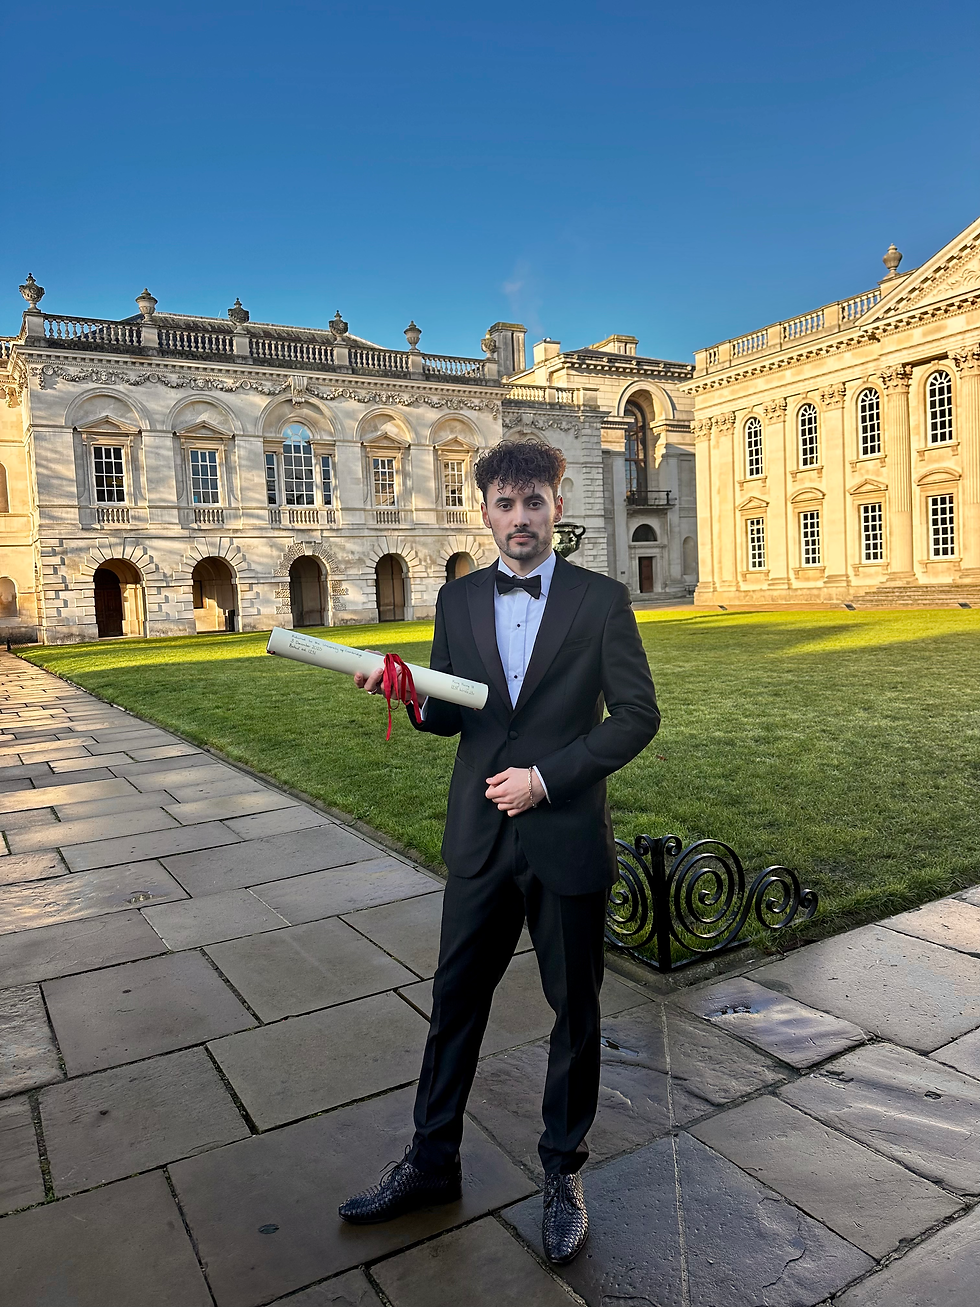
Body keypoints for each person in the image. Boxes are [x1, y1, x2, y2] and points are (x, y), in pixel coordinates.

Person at [339, 438, 660, 1264]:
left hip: (563, 836)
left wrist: (546, 779)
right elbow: (455, 713)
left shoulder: (601, 599)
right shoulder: (456, 599)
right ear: (483, 511)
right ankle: (431, 1161)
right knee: (453, 1008)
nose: (520, 519)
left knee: (575, 1013)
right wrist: (406, 694)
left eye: (535, 502)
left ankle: (561, 1172)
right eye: (505, 504)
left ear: (558, 506)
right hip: (480, 842)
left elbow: (635, 716)